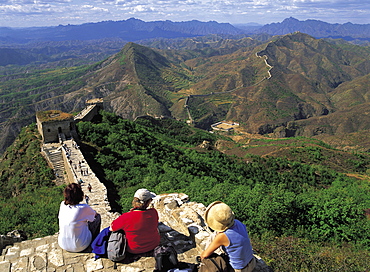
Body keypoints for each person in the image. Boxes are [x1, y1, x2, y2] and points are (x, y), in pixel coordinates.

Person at [200, 201, 256, 272]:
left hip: (239, 269)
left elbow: (205, 255)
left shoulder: (222, 236)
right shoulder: (238, 223)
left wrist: (201, 256)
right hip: (252, 262)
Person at [109, 188, 160, 254]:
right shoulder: (153, 212)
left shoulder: (126, 216)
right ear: (148, 202)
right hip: (153, 245)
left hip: (134, 249)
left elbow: (112, 228)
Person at [58, 183, 101, 252]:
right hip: (80, 246)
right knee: (97, 217)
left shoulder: (62, 205)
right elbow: (95, 215)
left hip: (63, 244)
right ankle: (95, 241)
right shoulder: (83, 208)